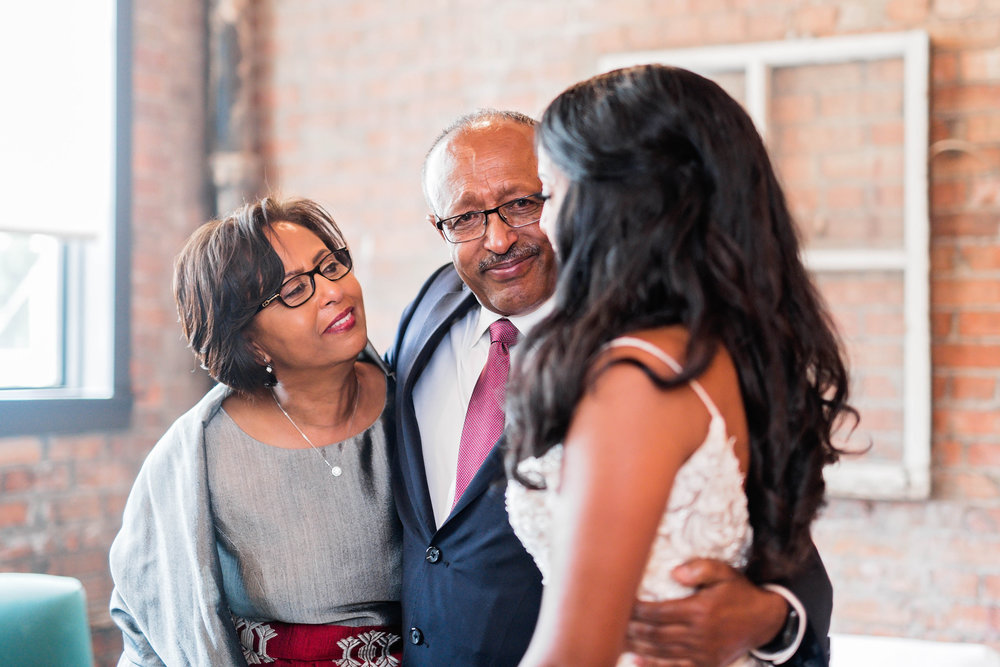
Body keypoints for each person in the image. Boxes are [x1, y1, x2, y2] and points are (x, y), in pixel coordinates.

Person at [387, 107, 834, 666]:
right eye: (466, 218)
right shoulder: (426, 310)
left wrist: (771, 619)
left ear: (565, 196)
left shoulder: (642, 356)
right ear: (440, 228)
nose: (498, 239)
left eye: (522, 204)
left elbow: (772, 531)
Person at [504, 64, 856, 667]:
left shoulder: (637, 379)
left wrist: (772, 617)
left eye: (548, 192)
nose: (542, 222)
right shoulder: (717, 350)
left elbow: (577, 652)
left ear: (613, 203)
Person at [109, 197, 401, 666]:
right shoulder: (197, 457)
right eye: (292, 292)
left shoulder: (419, 403)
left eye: (329, 266)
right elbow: (149, 628)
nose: (331, 292)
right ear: (249, 339)